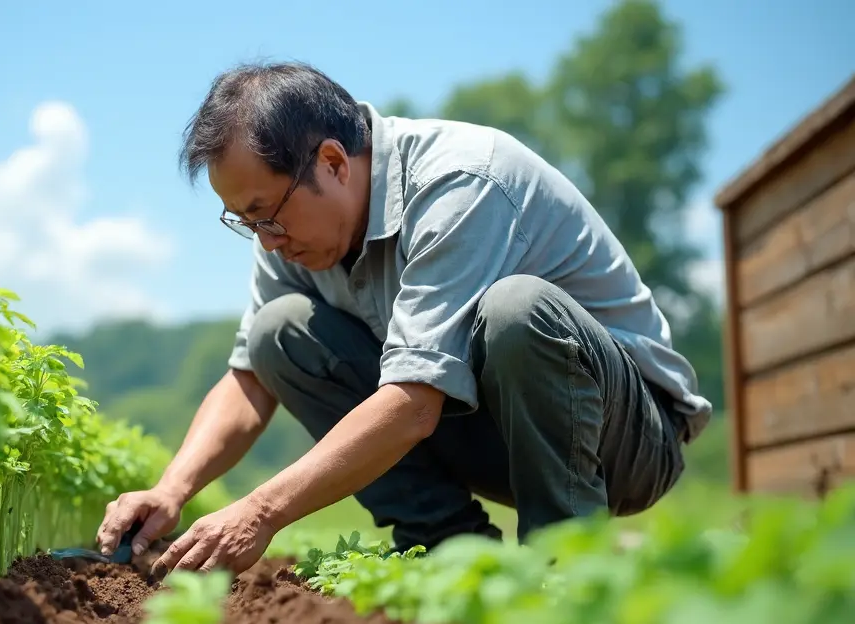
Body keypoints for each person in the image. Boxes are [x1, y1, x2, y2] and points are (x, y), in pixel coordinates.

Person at [95, 61, 711, 576]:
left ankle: (568, 567)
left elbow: (416, 402)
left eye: (267, 215)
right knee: (277, 334)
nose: (267, 241)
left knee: (516, 310)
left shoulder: (460, 181)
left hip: (624, 439)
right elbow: (250, 381)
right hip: (493, 431)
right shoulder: (295, 239)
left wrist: (261, 510)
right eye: (246, 223)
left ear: (333, 163)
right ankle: (445, 552)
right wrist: (172, 489)